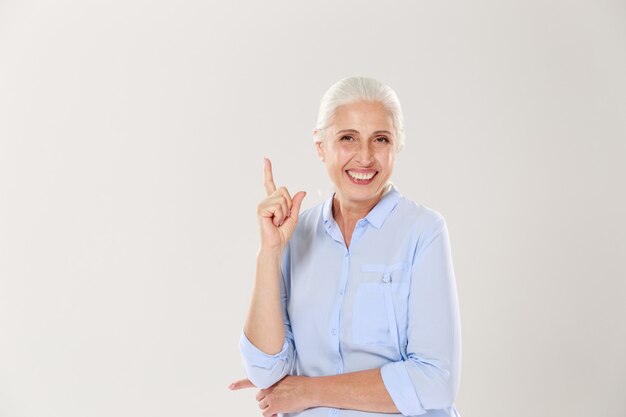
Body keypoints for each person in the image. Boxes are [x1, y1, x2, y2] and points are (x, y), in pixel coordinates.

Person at [229, 76, 462, 417]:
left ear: (396, 146)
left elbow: (434, 381)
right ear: (320, 145)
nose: (365, 157)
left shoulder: (423, 231)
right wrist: (270, 253)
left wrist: (304, 390)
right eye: (347, 138)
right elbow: (264, 371)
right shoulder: (295, 234)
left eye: (380, 139)